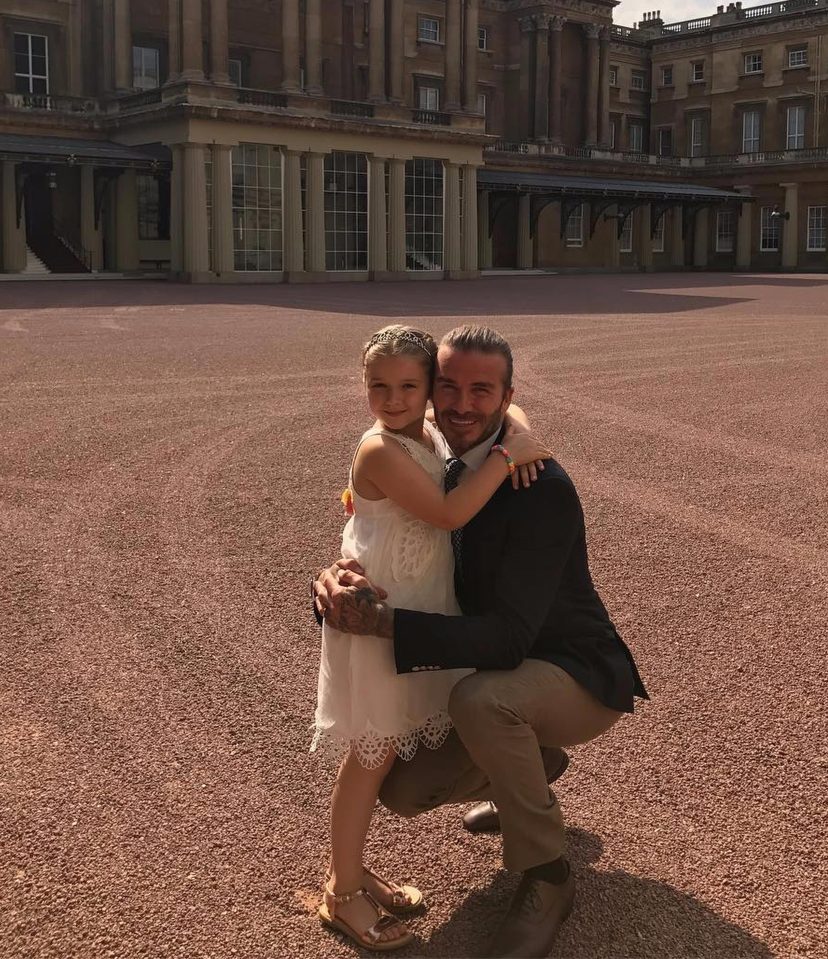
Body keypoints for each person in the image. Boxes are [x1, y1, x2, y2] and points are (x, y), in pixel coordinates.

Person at [314, 324, 648, 959]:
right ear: (433, 393)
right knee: (403, 788)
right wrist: (332, 582)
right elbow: (381, 542)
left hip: (568, 669)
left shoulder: (537, 487)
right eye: (450, 388)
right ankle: (529, 774)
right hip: (489, 659)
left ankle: (548, 873)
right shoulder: (433, 449)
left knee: (483, 703)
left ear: (505, 396)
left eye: (483, 392)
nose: (464, 404)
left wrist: (385, 625)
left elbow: (507, 636)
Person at [311, 325, 551, 953]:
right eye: (377, 387)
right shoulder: (379, 450)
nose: (391, 399)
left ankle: (355, 871)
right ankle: (341, 892)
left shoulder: (428, 433)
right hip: (381, 620)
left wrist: (519, 431)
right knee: (370, 756)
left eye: (408, 386)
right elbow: (449, 514)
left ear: (429, 392)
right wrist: (508, 455)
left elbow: (511, 406)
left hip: (418, 615)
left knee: (388, 752)